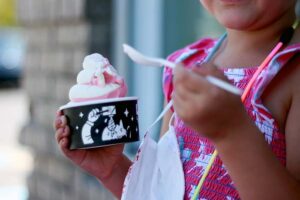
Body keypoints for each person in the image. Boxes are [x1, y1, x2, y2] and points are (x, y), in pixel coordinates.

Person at [54, 0, 300, 199]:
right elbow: (163, 190)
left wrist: (233, 132)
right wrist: (113, 170)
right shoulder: (185, 65)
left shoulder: (293, 73)